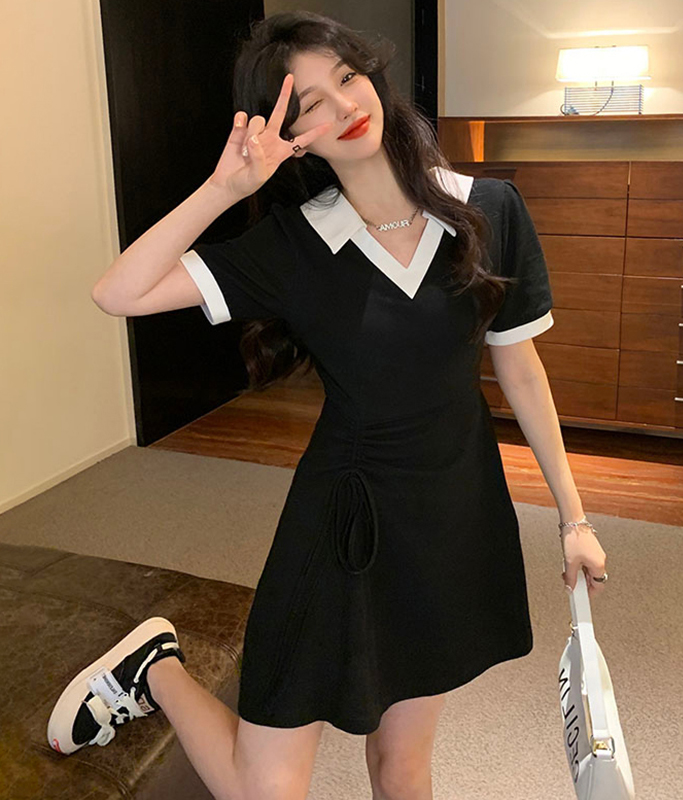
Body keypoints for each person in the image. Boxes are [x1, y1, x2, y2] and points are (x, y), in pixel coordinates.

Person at [47, 10, 608, 800]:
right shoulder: (294, 243)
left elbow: (519, 369)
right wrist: (225, 187)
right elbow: (119, 292)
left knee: (402, 767)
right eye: (310, 102)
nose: (344, 104)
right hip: (341, 520)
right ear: (289, 134)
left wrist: (574, 519)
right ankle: (156, 669)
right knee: (264, 791)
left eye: (347, 76)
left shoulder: (488, 210)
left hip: (450, 512)